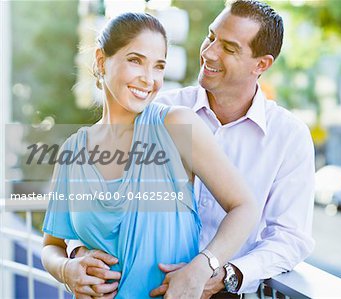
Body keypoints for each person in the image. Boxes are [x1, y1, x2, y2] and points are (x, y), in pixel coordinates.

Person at [69, 0, 315, 298]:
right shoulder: (159, 110)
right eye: (211, 37)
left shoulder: (289, 136)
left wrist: (218, 272)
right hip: (139, 287)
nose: (209, 52)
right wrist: (78, 255)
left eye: (229, 47)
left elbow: (290, 239)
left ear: (261, 64)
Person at [41, 12, 257, 299]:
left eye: (158, 67)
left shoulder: (176, 127)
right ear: (101, 60)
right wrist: (67, 271)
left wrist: (203, 267)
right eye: (135, 60)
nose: (149, 79)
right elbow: (51, 245)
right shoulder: (72, 151)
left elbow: (245, 207)